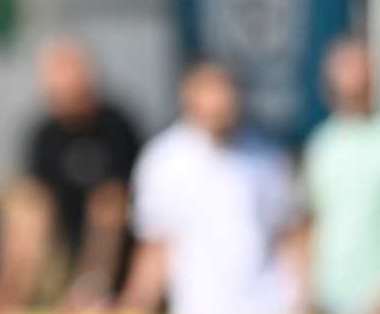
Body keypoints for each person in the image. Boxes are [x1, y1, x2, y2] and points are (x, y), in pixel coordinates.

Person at [119, 62, 302, 314]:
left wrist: (301, 301)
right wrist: (135, 305)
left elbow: (290, 235)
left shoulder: (268, 155)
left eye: (225, 90)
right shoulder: (162, 160)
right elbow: (155, 248)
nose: (218, 101)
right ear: (187, 96)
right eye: (208, 91)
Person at [0, 38, 140, 311]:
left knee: (107, 205)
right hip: (67, 249)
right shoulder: (44, 135)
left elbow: (114, 205)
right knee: (24, 202)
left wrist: (91, 285)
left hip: (119, 256)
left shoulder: (116, 127)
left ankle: (90, 292)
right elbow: (33, 209)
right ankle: (9, 295)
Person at [303, 38, 380, 313]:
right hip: (330, 296)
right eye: (344, 70)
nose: (352, 79)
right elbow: (311, 221)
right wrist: (308, 290)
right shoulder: (322, 144)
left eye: (358, 69)